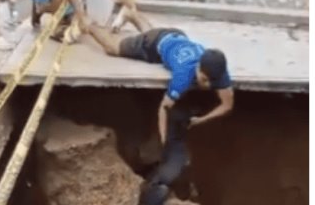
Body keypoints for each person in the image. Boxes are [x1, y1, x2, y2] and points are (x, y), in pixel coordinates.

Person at [84, 12, 233, 143]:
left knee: (155, 34)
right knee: (112, 48)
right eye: (204, 79)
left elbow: (227, 105)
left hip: (177, 37)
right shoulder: (182, 76)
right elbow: (164, 108)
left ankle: (131, 14)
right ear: (198, 67)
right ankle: (88, 24)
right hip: (154, 45)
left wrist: (201, 120)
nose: (208, 85)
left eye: (212, 81)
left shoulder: (218, 69)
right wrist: (164, 141)